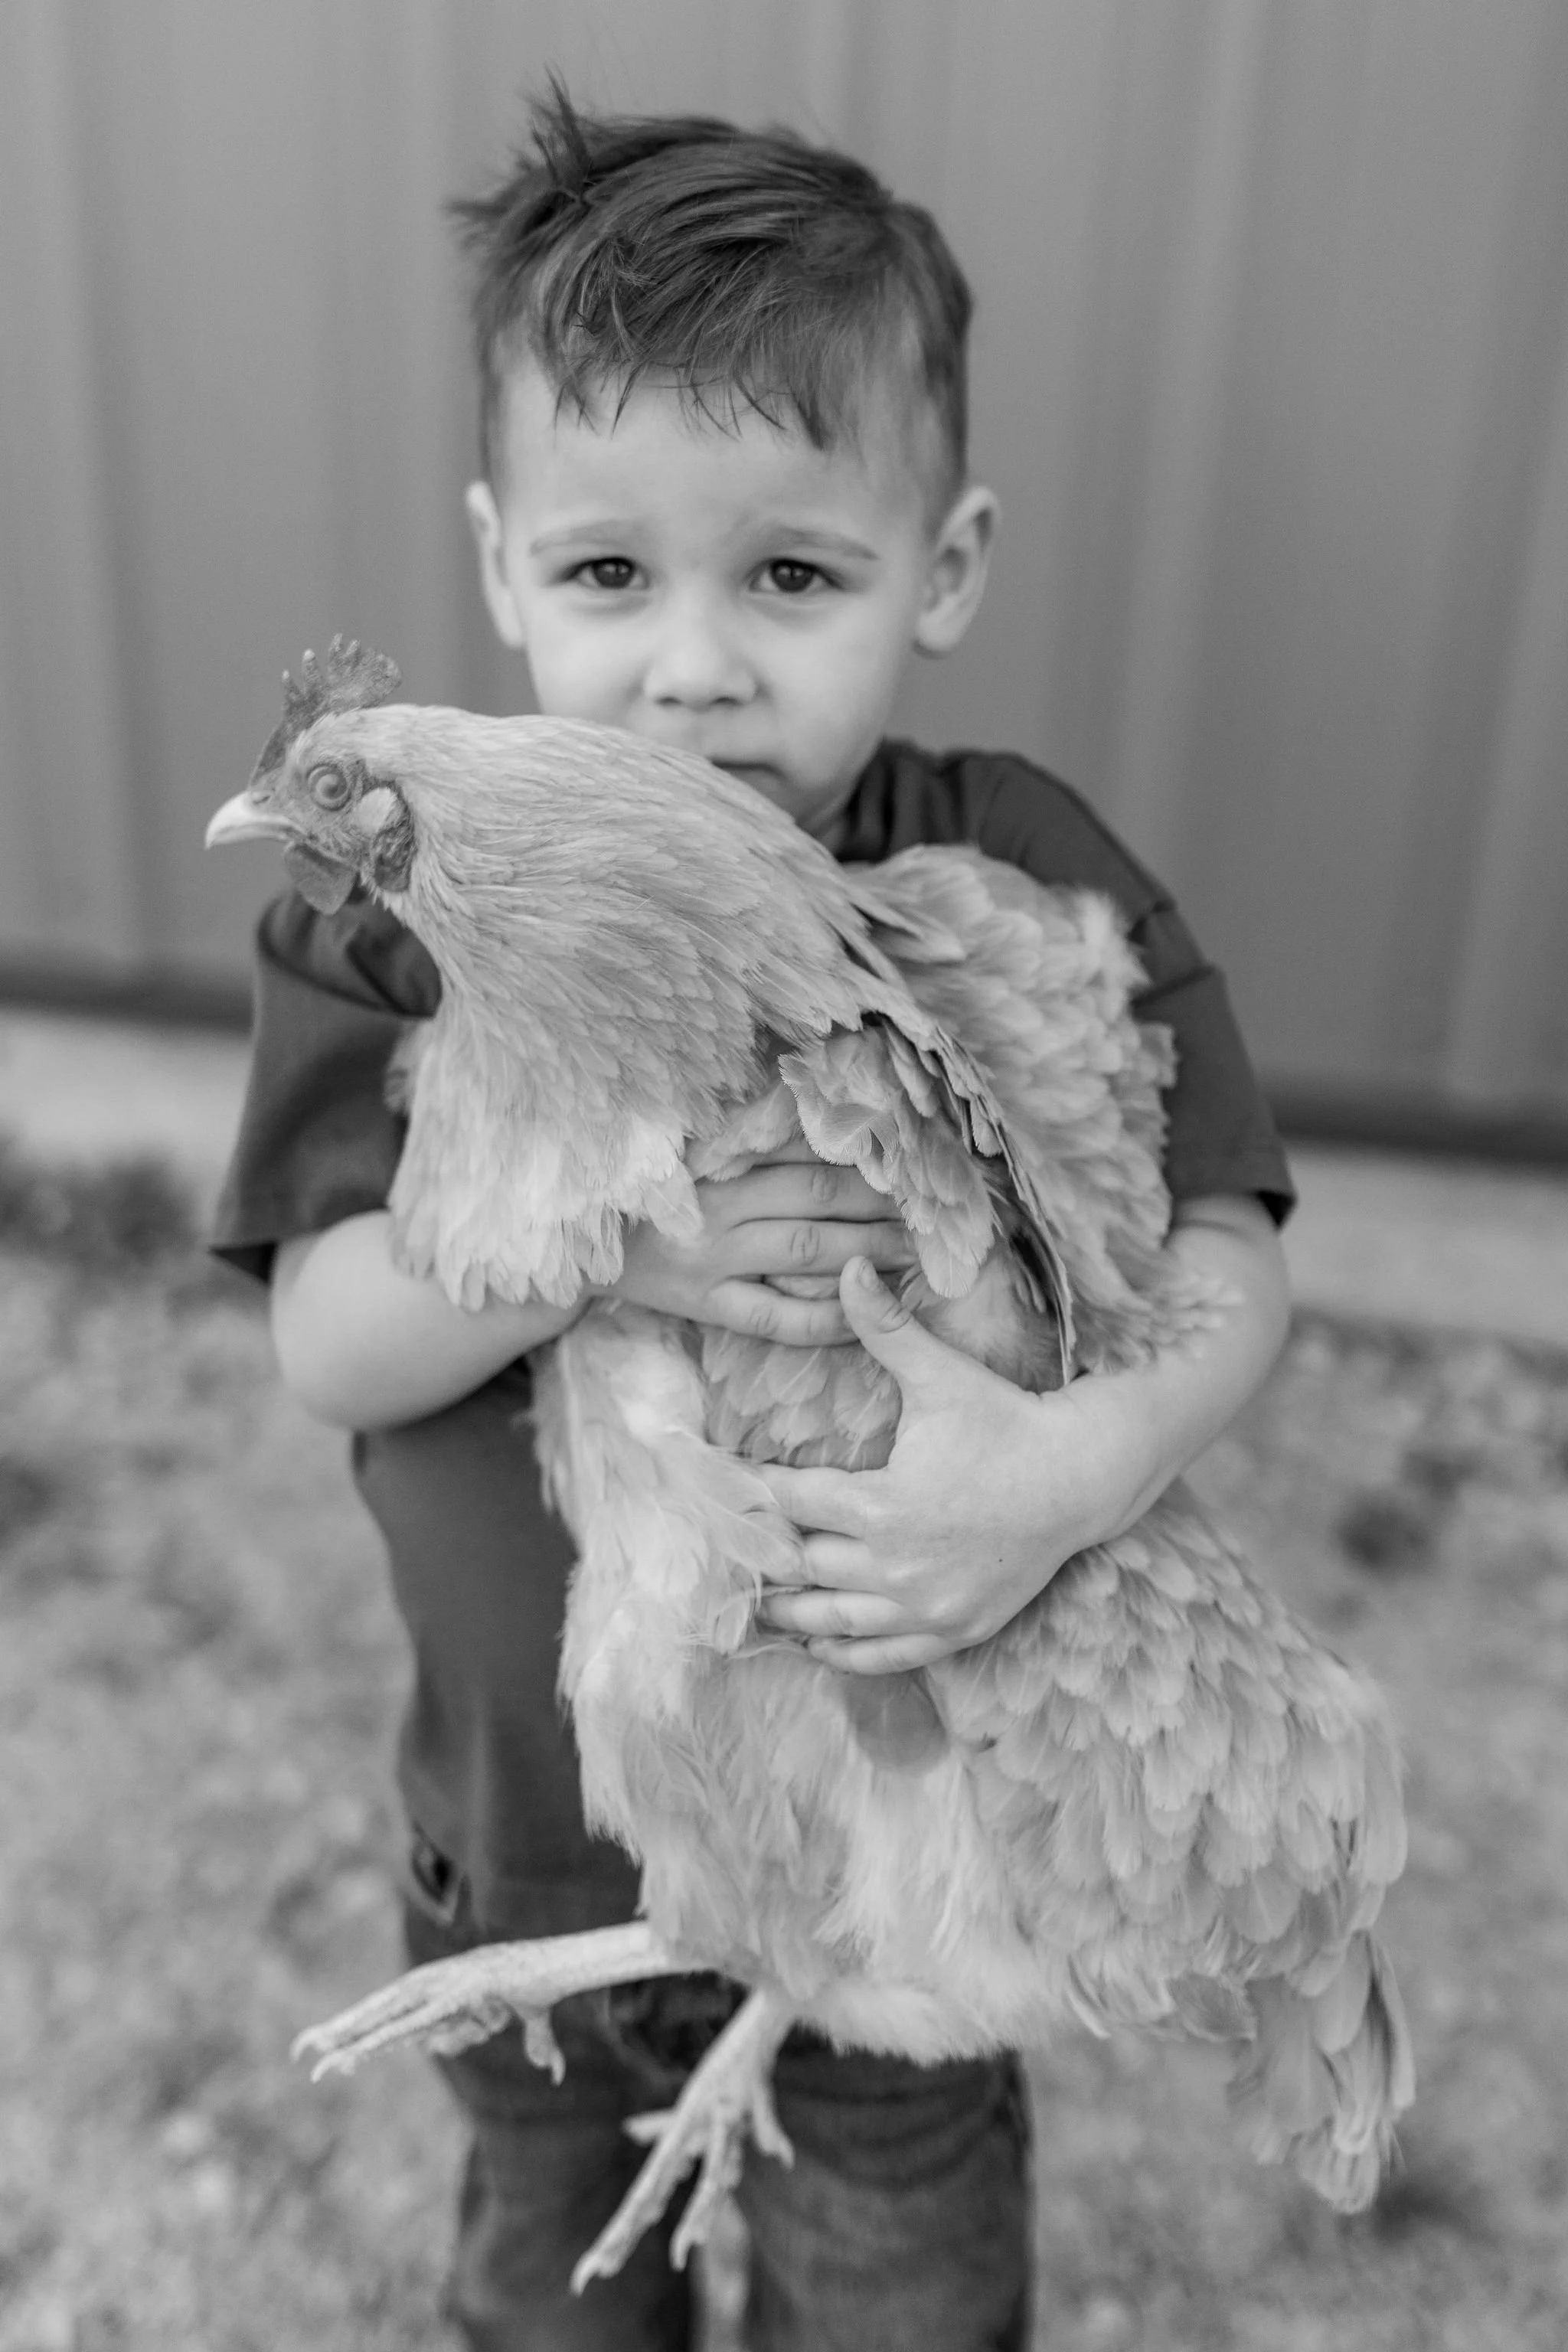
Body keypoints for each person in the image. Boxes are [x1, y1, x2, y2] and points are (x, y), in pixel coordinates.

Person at [213, 89, 1295, 2352]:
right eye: (612, 575)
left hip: (918, 1828)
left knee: (897, 2283)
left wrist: (1088, 1467)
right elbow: (328, 1339)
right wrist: (601, 1240)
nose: (694, 667)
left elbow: (1224, 1236)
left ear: (949, 563)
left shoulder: (1013, 865)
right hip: (538, 1844)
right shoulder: (402, 918)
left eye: (790, 575)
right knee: (556, 2290)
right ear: (504, 563)